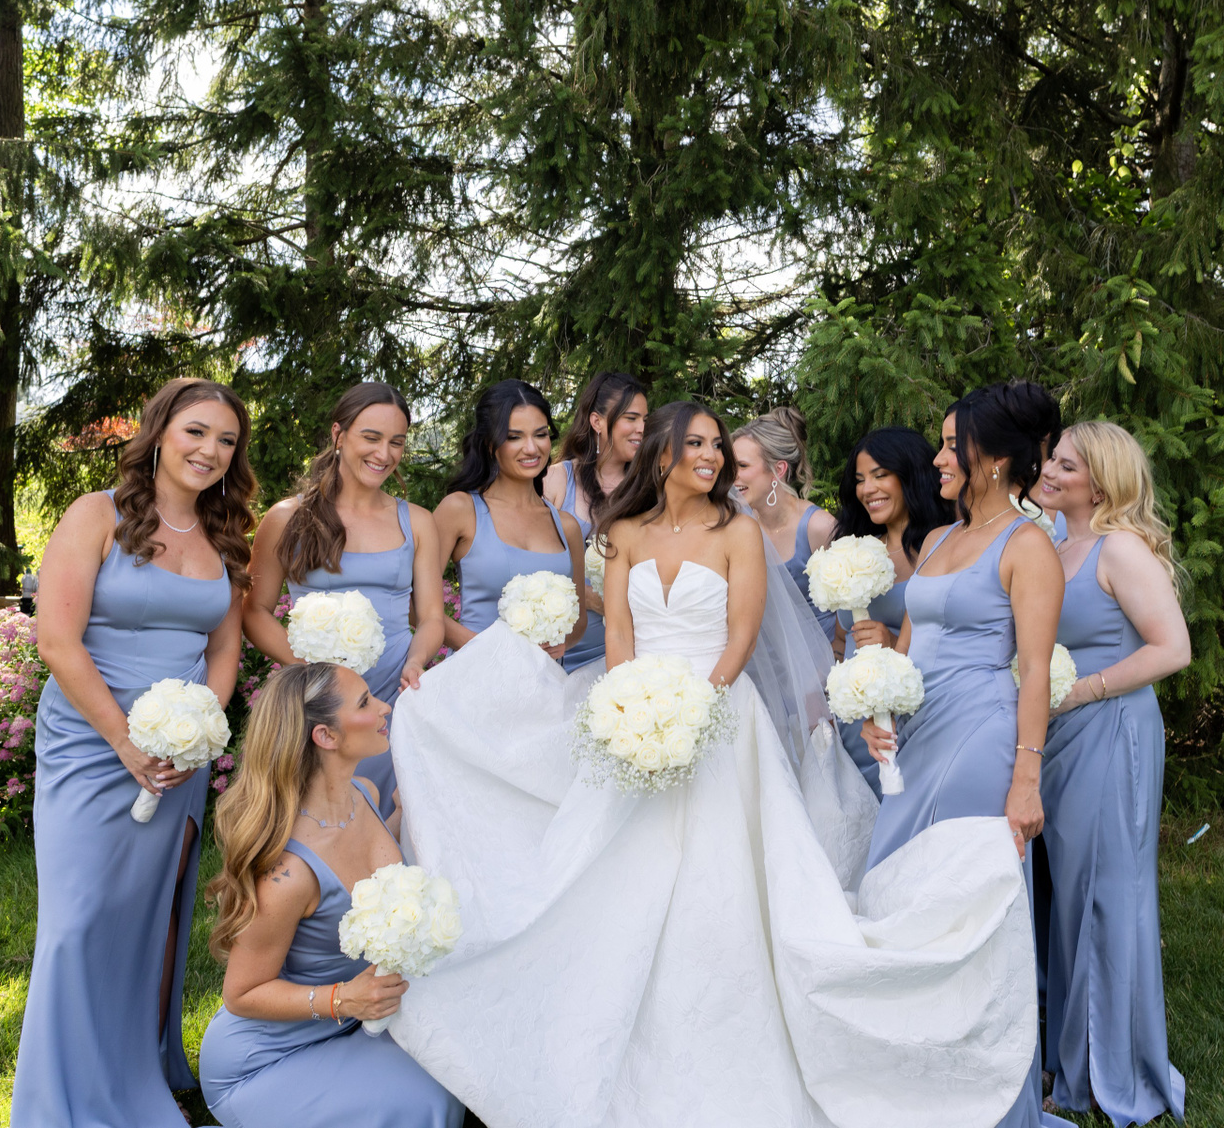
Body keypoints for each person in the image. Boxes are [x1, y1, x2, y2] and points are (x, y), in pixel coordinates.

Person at [387, 402, 1039, 1128]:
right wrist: (630, 708)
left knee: (719, 883)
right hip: (638, 720)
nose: (710, 455)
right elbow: (619, 634)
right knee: (615, 878)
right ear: (662, 454)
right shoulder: (623, 532)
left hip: (723, 720)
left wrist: (698, 705)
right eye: (694, 443)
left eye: (715, 445)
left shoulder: (738, 531)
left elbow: (742, 631)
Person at [12, 378, 253, 1128]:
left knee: (149, 916)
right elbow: (57, 640)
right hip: (90, 742)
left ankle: (134, 1068)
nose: (209, 450)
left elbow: (225, 650)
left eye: (226, 441)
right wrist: (125, 740)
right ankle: (60, 1095)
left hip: (176, 755)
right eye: (196, 431)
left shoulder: (224, 536)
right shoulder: (97, 514)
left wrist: (198, 727)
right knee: (80, 916)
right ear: (158, 433)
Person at [862, 380, 1073, 1128]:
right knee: (896, 894)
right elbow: (909, 645)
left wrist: (1026, 780)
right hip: (917, 735)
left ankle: (983, 1098)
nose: (939, 458)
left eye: (954, 445)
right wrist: (877, 710)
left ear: (995, 459)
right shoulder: (940, 541)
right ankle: (913, 1088)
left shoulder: (1028, 545)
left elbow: (1035, 671)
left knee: (963, 907)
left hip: (980, 736)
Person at [198, 661, 465, 1128]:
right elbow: (241, 994)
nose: (384, 707)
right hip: (267, 1058)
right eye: (365, 702)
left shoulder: (363, 792)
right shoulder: (288, 875)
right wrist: (344, 999)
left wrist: (402, 815)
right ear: (326, 736)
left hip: (351, 1025)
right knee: (424, 1100)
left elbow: (369, 874)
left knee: (453, 1060)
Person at [1034, 421, 1191, 1124]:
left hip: (1112, 729)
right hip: (1062, 737)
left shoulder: (1119, 547)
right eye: (1053, 458)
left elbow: (1173, 647)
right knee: (1067, 898)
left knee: (1105, 897)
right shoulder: (1053, 541)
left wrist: (1084, 691)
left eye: (1067, 465)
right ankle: (1068, 1058)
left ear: (1101, 484)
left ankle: (1108, 1074)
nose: (1050, 469)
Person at [245, 384, 445, 816]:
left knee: (396, 821)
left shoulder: (418, 522)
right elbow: (255, 611)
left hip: (393, 697)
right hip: (318, 701)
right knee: (318, 820)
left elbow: (432, 616)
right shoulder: (286, 518)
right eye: (371, 437)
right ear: (339, 435)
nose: (384, 454)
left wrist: (416, 661)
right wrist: (307, 669)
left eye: (396, 442)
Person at [832, 426, 950, 794]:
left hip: (915, 722)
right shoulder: (852, 549)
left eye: (880, 475)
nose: (867, 489)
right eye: (860, 480)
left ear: (911, 475)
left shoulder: (943, 547)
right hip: (855, 728)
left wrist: (893, 641)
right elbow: (840, 640)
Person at [432, 380, 587, 660]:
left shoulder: (567, 526)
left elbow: (578, 622)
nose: (531, 448)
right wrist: (491, 650)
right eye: (514, 437)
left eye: (540, 434)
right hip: (476, 673)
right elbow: (417, 606)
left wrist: (562, 642)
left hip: (545, 680)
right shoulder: (459, 510)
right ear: (490, 443)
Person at [544, 372, 648, 672]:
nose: (642, 429)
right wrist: (586, 596)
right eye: (631, 418)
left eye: (645, 419)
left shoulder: (649, 490)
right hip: (559, 652)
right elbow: (530, 561)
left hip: (627, 653)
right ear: (597, 422)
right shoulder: (557, 479)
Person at [733, 407, 838, 639]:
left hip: (820, 655)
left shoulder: (819, 527)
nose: (732, 476)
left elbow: (848, 610)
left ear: (778, 470)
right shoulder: (740, 527)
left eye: (742, 466)